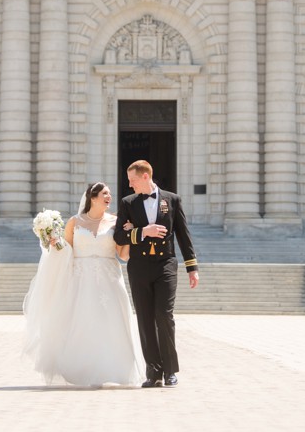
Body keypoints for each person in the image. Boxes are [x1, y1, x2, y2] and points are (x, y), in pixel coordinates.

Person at [23, 182, 144, 387]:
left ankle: (114, 370)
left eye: (110, 194)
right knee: (82, 323)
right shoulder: (74, 222)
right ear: (93, 197)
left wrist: (132, 236)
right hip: (81, 280)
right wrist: (55, 243)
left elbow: (122, 255)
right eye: (105, 193)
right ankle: (81, 370)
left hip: (110, 279)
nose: (109, 197)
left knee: (112, 322)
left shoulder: (117, 222)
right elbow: (66, 250)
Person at [113, 160, 198, 388]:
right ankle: (153, 372)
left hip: (165, 266)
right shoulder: (128, 203)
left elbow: (183, 235)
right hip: (139, 267)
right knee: (145, 319)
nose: (130, 185)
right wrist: (143, 232)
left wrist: (192, 267)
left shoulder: (172, 200)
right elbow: (118, 237)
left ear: (145, 177)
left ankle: (170, 370)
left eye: (132, 180)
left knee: (164, 316)